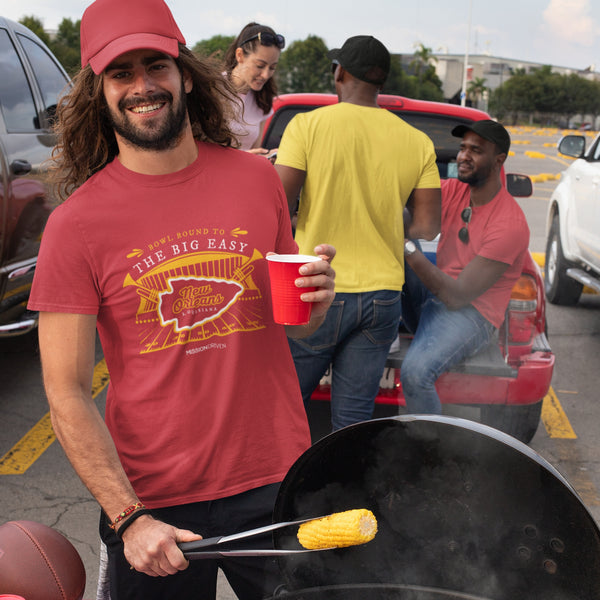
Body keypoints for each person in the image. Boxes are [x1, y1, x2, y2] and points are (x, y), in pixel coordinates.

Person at [27, 0, 336, 598]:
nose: (143, 86)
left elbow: (291, 325)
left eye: (156, 66)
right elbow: (64, 389)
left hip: (273, 481)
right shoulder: (76, 225)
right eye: (121, 72)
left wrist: (314, 304)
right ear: (100, 91)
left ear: (185, 74)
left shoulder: (257, 181)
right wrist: (128, 517)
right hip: (153, 507)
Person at [274, 35, 441, 432]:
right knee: (352, 423)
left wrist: (303, 220)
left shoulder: (307, 126)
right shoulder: (417, 142)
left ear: (341, 73)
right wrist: (382, 218)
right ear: (380, 82)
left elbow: (276, 205)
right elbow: (427, 227)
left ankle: (279, 491)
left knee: (284, 408)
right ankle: (344, 493)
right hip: (384, 297)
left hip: (317, 290)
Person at [400, 120, 530, 414]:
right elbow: (404, 195)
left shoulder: (509, 224)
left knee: (416, 374)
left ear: (499, 161)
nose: (463, 156)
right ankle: (368, 325)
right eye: (462, 148)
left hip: (471, 315)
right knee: (394, 228)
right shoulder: (454, 191)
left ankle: (428, 453)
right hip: (434, 300)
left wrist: (404, 245)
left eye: (475, 150)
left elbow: (458, 296)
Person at [223, 23, 284, 154]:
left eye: (272, 68)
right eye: (260, 65)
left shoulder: (263, 101)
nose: (266, 75)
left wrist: (267, 155)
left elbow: (254, 151)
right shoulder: (212, 90)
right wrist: (246, 157)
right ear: (240, 55)